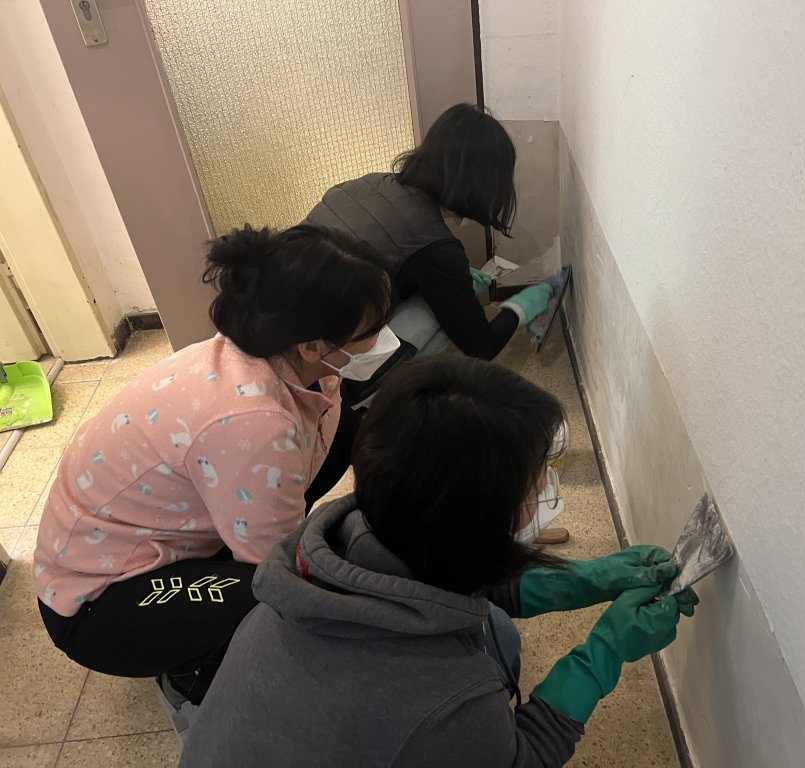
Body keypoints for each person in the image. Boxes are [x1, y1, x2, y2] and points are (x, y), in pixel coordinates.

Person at [179, 357, 699, 767]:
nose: (544, 489)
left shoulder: (340, 548)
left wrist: (580, 581)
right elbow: (525, 760)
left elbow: (436, 578)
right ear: (476, 517)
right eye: (534, 482)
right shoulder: (444, 698)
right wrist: (602, 654)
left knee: (498, 632)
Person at [33, 224, 393, 707]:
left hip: (155, 536)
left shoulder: (278, 357)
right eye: (370, 331)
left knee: (343, 432)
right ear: (313, 345)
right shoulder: (253, 421)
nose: (381, 339)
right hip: (98, 601)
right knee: (277, 597)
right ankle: (196, 671)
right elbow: (275, 567)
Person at [302, 104, 567, 545]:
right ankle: (365, 395)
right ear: (480, 182)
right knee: (443, 321)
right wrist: (521, 306)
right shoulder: (434, 245)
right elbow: (480, 344)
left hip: (293, 338)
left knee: (444, 300)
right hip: (328, 373)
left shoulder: (365, 184)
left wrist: (455, 282)